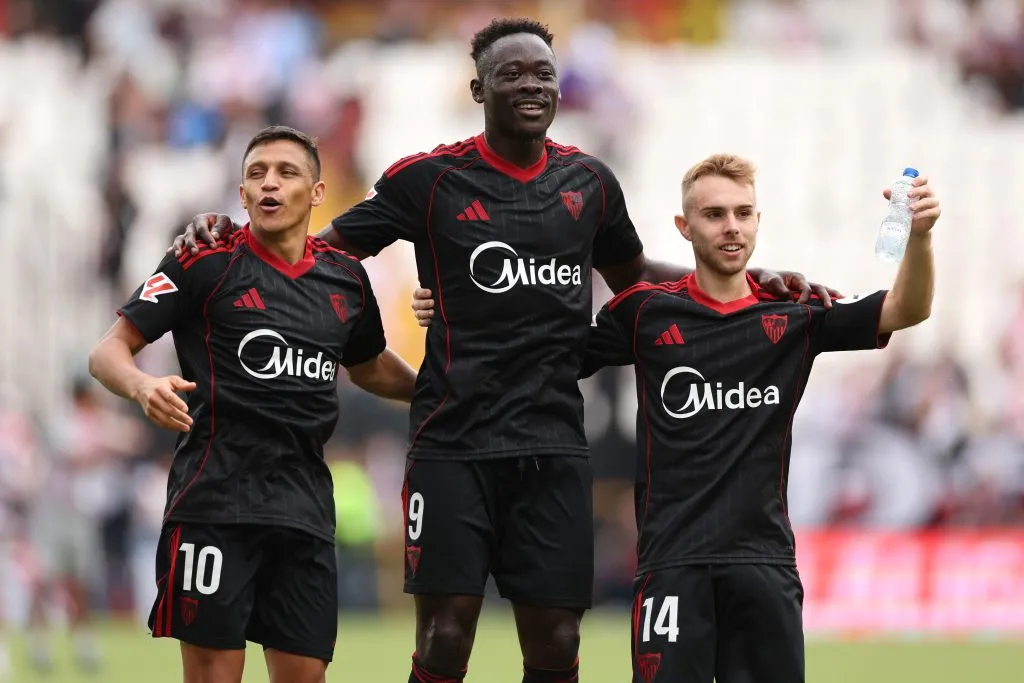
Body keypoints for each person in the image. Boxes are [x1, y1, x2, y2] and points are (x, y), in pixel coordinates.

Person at [170, 19, 837, 683]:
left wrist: (744, 281)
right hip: (452, 443)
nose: (531, 85)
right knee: (445, 633)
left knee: (555, 635)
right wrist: (229, 236)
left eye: (543, 74)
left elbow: (637, 276)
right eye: (512, 74)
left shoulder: (590, 184)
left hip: (553, 445)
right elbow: (319, 250)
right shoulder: (429, 180)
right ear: (478, 88)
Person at [581, 154, 939, 683]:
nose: (732, 227)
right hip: (672, 564)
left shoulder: (795, 313)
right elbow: (550, 355)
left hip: (763, 562)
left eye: (743, 213)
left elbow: (905, 310)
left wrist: (921, 238)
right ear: (684, 227)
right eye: (715, 214)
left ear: (757, 220)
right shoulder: (643, 314)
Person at [89, 125, 417, 683]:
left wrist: (444, 387)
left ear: (316, 193)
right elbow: (108, 352)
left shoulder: (347, 281)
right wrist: (144, 386)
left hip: (305, 510)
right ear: (241, 195)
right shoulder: (204, 260)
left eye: (286, 172)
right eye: (256, 174)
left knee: (304, 675)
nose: (269, 184)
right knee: (215, 675)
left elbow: (370, 366)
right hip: (215, 504)